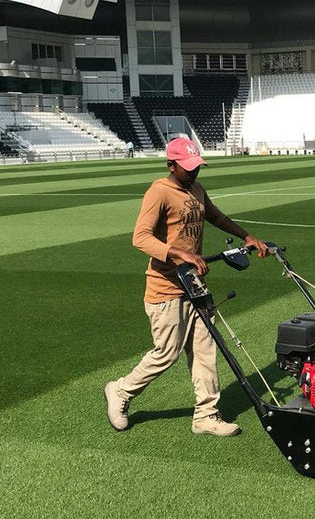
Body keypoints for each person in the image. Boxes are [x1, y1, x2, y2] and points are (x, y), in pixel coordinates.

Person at [104, 136, 268, 435]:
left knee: (206, 349)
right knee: (167, 353)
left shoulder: (195, 189)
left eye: (197, 167)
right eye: (187, 167)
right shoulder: (160, 191)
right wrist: (180, 253)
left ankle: (206, 414)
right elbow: (140, 237)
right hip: (165, 287)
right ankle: (121, 391)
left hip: (195, 285)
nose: (194, 172)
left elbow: (216, 216)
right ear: (171, 165)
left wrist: (247, 237)